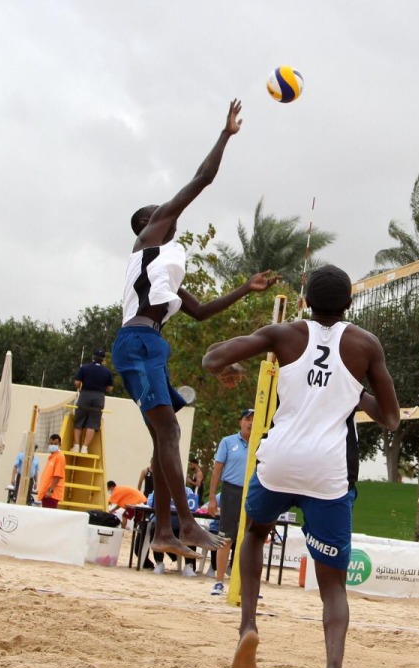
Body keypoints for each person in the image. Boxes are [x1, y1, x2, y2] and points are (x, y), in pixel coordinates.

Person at [203, 264, 400, 668]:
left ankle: (248, 626)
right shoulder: (365, 345)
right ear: (349, 304)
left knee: (254, 534)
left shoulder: (284, 334)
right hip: (329, 470)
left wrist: (228, 369)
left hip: (280, 459)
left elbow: (213, 357)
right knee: (332, 585)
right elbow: (391, 419)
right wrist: (355, 396)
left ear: (307, 303)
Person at [110, 98, 279, 560]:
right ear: (148, 222)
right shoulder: (147, 239)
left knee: (165, 437)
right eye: (161, 210)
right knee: (168, 435)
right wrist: (225, 135)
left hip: (150, 343)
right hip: (136, 342)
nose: (170, 213)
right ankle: (183, 523)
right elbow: (202, 180)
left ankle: (165, 530)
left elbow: (201, 312)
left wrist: (246, 288)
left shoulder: (162, 268)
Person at [207, 407, 256, 595]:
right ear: (240, 421)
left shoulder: (261, 442)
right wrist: (212, 497)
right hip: (231, 491)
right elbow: (217, 470)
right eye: (247, 419)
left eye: (254, 418)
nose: (250, 422)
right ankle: (219, 581)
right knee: (226, 537)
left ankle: (246, 584)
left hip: (252, 491)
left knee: (249, 539)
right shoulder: (228, 442)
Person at [72, 349, 114, 454]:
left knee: (78, 421)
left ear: (93, 357)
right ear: (103, 360)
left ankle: (76, 446)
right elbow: (110, 389)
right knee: (93, 423)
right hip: (99, 397)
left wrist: (81, 386)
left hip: (85, 395)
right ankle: (85, 448)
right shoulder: (107, 372)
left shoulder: (85, 368)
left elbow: (77, 383)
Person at [36, 434, 66, 508]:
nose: (53, 445)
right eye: (51, 443)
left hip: (52, 494)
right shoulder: (52, 456)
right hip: (46, 492)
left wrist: (50, 490)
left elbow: (58, 475)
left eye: (55, 444)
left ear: (60, 444)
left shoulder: (59, 457)